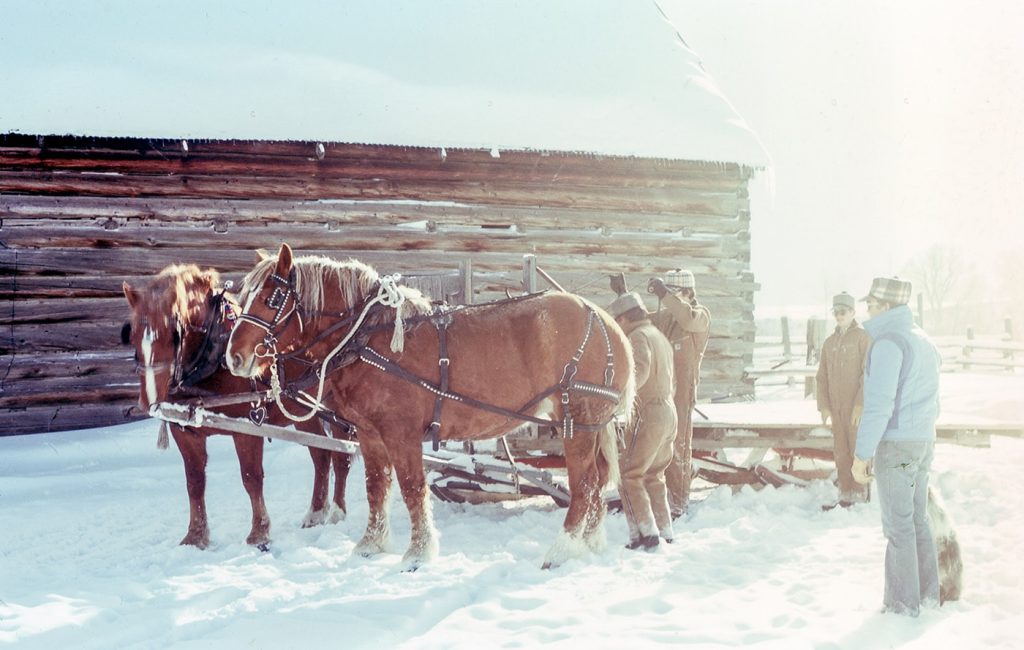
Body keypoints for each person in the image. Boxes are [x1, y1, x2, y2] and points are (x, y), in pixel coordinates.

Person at [851, 276, 942, 617]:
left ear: (886, 307)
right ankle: (929, 596)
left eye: (871, 305)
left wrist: (861, 455)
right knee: (917, 520)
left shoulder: (889, 343)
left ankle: (903, 605)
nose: (867, 311)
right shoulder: (924, 340)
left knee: (899, 525)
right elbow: (935, 399)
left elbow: (879, 405)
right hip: (922, 442)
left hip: (898, 447)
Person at [607, 291, 678, 550]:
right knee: (653, 474)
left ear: (624, 319)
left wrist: (617, 399)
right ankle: (665, 530)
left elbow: (641, 371)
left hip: (648, 412)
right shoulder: (658, 336)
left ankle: (647, 534)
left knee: (629, 473)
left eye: (616, 322)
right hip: (668, 411)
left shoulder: (637, 337)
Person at [647, 269, 711, 519]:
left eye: (674, 294)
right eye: (667, 294)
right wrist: (623, 295)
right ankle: (661, 497)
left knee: (679, 445)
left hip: (684, 389)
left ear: (688, 292)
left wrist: (664, 293)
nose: (668, 299)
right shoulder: (667, 318)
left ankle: (679, 501)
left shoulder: (700, 315)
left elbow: (687, 319)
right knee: (659, 443)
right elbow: (639, 320)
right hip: (662, 388)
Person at [816, 291, 871, 508]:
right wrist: (824, 407)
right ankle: (845, 492)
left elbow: (868, 374)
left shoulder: (862, 338)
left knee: (857, 449)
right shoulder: (829, 343)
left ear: (852, 312)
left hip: (855, 409)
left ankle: (859, 493)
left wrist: (860, 403)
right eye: (836, 312)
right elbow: (821, 377)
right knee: (840, 451)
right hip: (836, 409)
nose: (839, 316)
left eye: (843, 312)